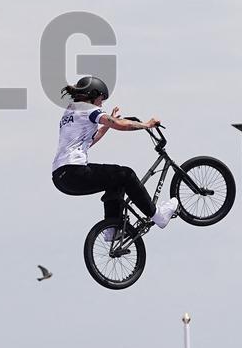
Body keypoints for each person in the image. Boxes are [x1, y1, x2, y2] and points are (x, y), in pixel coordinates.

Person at [51, 76, 178, 240]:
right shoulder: (88, 109)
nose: (101, 103)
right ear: (93, 94)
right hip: (74, 171)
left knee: (115, 179)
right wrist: (146, 125)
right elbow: (121, 125)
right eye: (101, 99)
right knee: (126, 174)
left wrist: (107, 123)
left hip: (61, 177)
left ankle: (111, 229)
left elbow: (90, 140)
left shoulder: (70, 111)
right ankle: (157, 215)